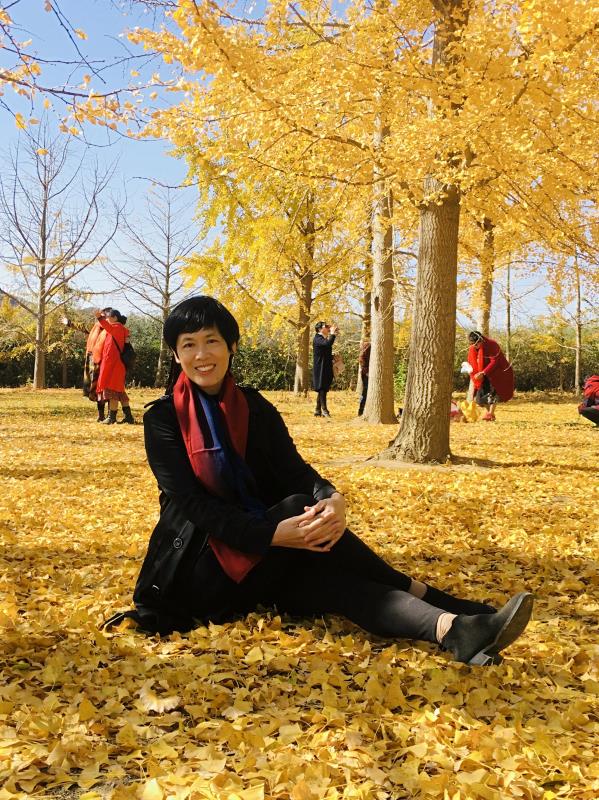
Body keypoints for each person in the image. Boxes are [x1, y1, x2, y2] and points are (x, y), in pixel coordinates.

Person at [109, 296, 534, 667]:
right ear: (176, 354)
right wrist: (273, 535)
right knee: (300, 510)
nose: (202, 354)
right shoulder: (163, 419)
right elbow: (193, 505)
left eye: (212, 341)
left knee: (329, 582)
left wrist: (332, 497)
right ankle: (439, 600)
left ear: (231, 346)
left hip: (262, 563)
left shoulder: (255, 408)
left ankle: (455, 629)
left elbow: (295, 470)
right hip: (199, 573)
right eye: (189, 344)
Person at [63, 308, 111, 421]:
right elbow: (82, 327)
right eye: (100, 316)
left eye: (103, 316)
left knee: (105, 388)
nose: (100, 318)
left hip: (104, 361)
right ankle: (101, 415)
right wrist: (69, 323)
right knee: (95, 388)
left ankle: (110, 415)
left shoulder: (111, 329)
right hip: (92, 359)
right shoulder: (95, 326)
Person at [94, 309, 135, 425]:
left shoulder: (116, 328)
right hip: (118, 365)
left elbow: (106, 326)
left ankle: (111, 417)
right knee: (120, 392)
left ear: (115, 318)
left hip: (114, 365)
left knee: (112, 392)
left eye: (108, 318)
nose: (106, 320)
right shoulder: (121, 329)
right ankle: (128, 417)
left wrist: (99, 317)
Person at [467, 331, 514, 421]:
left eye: (476, 344)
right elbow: (472, 360)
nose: (474, 346)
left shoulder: (492, 345)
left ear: (481, 340)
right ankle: (490, 414)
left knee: (493, 393)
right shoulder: (473, 348)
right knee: (480, 398)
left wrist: (483, 372)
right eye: (472, 344)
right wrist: (469, 368)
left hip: (498, 372)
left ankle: (490, 414)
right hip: (483, 373)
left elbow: (495, 361)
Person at [312, 321, 338, 417]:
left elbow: (324, 351)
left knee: (323, 388)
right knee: (322, 388)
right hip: (320, 367)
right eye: (325, 326)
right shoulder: (317, 338)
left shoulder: (322, 338)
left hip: (325, 366)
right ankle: (324, 410)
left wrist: (332, 357)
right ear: (320, 329)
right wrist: (332, 334)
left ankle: (317, 410)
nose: (328, 328)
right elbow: (327, 344)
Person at [358, 340, 371, 416]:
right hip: (366, 373)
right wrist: (367, 372)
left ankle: (361, 410)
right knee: (365, 392)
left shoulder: (368, 345)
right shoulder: (368, 345)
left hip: (366, 372)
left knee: (365, 391)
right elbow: (361, 358)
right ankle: (361, 410)